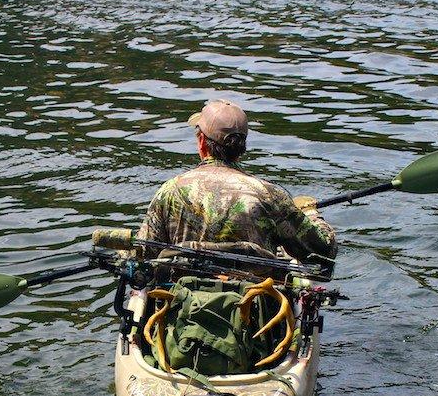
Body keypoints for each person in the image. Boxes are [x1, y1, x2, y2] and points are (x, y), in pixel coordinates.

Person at [137, 99, 337, 270]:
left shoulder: (170, 191)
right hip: (256, 303)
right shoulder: (270, 195)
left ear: (201, 142)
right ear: (241, 148)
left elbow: (144, 252)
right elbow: (323, 252)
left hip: (183, 303)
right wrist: (311, 213)